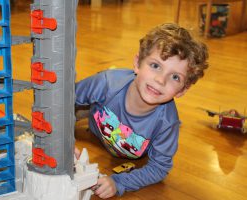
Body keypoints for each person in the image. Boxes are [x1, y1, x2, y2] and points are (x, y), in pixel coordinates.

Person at [75, 23, 209, 199]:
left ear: (182, 90)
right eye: (155, 65)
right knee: (79, 106)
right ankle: (88, 106)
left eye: (175, 77)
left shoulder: (167, 124)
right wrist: (65, 140)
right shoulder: (106, 82)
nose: (160, 80)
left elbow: (159, 168)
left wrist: (118, 182)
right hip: (98, 111)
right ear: (137, 63)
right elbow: (63, 99)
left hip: (113, 125)